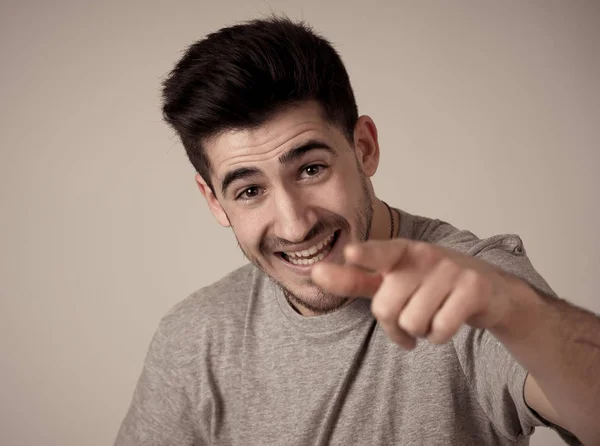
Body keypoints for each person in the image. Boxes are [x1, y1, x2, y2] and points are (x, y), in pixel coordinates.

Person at [115, 17, 599, 446]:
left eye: (310, 169)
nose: (294, 224)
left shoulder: (475, 283)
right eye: (249, 191)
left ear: (363, 147)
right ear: (213, 200)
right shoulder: (196, 335)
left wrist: (518, 313)